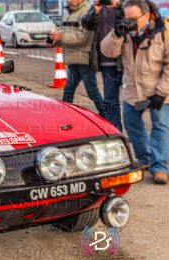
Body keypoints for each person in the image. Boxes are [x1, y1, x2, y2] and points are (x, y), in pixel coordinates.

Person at [101, 0, 169, 184]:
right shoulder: (124, 33)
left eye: (133, 18)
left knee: (160, 127)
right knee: (132, 124)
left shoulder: (163, 33)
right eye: (126, 17)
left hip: (158, 91)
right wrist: (116, 33)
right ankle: (145, 158)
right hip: (132, 91)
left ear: (147, 16)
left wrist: (161, 92)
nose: (128, 21)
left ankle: (160, 167)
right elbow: (107, 51)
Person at [49, 0, 107, 118]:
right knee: (69, 89)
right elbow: (67, 34)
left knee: (92, 91)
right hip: (73, 58)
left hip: (84, 59)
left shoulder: (86, 12)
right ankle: (64, 114)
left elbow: (83, 37)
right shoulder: (68, 13)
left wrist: (62, 36)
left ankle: (107, 115)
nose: (70, 0)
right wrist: (56, 39)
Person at [82, 0, 124, 131]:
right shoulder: (98, 8)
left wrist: (119, 5)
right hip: (106, 63)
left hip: (125, 61)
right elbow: (86, 25)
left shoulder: (125, 6)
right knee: (110, 99)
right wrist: (94, 12)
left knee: (132, 101)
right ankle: (116, 129)